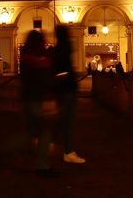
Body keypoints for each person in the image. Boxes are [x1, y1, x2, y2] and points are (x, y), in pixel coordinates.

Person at [16, 30, 57, 176]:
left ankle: (0, 151)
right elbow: (45, 80)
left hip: (28, 98)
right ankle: (43, 166)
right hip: (39, 100)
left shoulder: (25, 56)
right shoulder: (40, 58)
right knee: (44, 133)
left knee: (29, 135)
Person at [52, 25, 86, 164]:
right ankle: (68, 151)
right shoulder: (64, 49)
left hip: (63, 89)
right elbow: (63, 71)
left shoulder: (59, 49)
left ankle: (49, 141)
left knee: (64, 120)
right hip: (67, 90)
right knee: (67, 121)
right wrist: (68, 79)